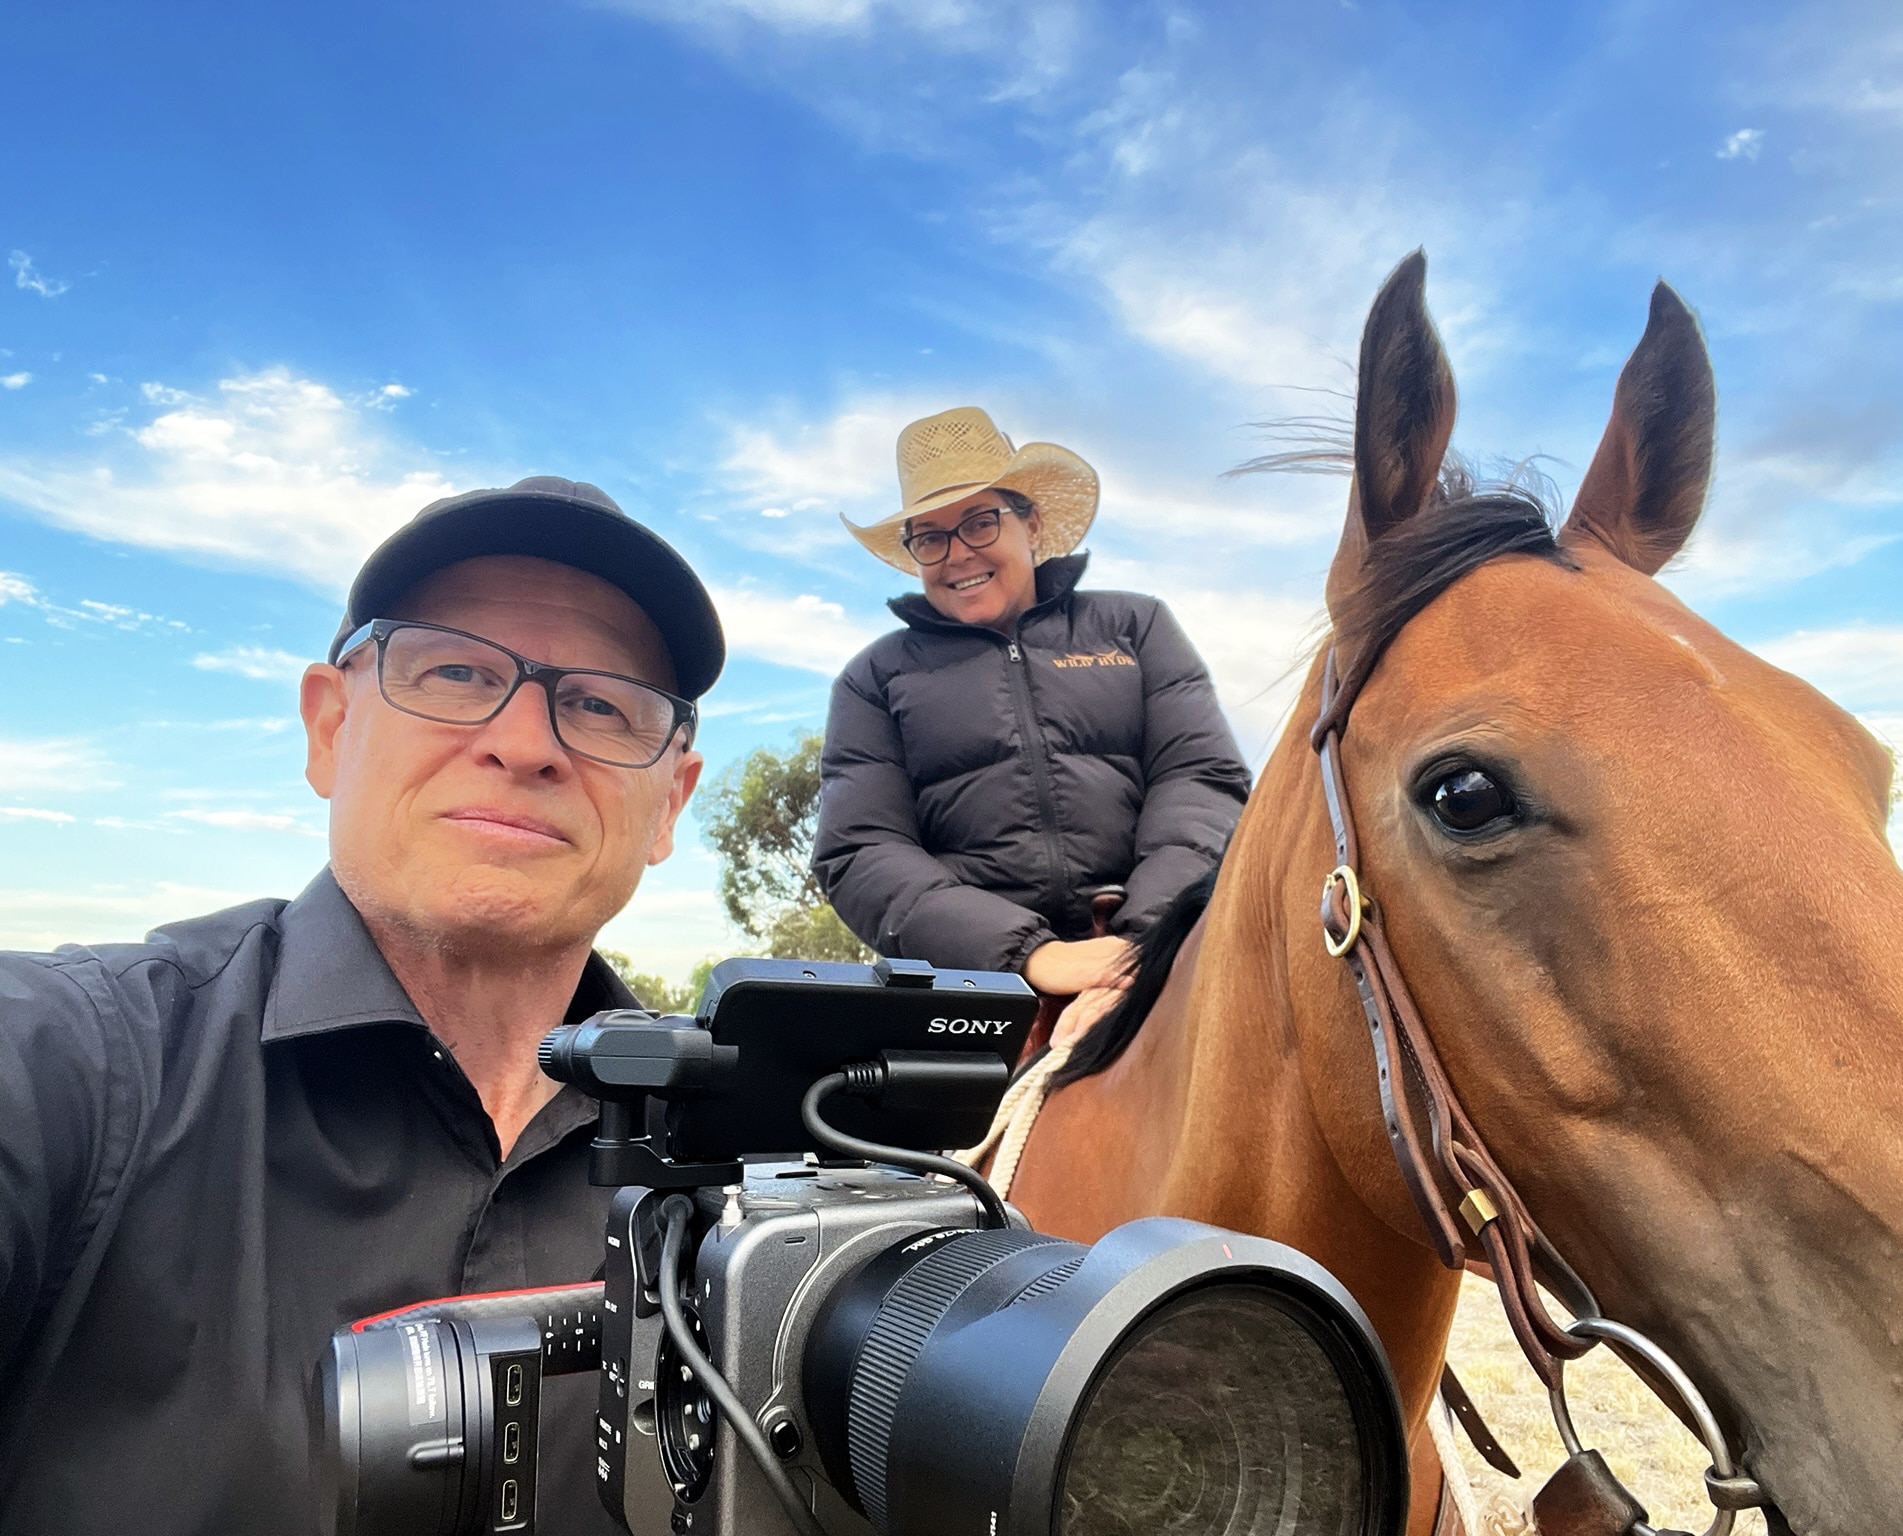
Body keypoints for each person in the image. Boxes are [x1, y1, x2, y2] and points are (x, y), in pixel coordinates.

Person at [0, 478, 722, 1535]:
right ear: (330, 726)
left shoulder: (750, 1172)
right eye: (457, 671)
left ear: (670, 801)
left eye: (601, 704)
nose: (526, 744)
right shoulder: (72, 1064)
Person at [814, 407, 1250, 1049]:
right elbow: (860, 851)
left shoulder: (1136, 628)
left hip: (1166, 960)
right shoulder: (874, 678)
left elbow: (1201, 780)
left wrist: (1136, 945)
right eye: (930, 537)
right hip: (977, 999)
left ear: (1032, 522)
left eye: (979, 521)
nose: (957, 554)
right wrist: (1031, 954)